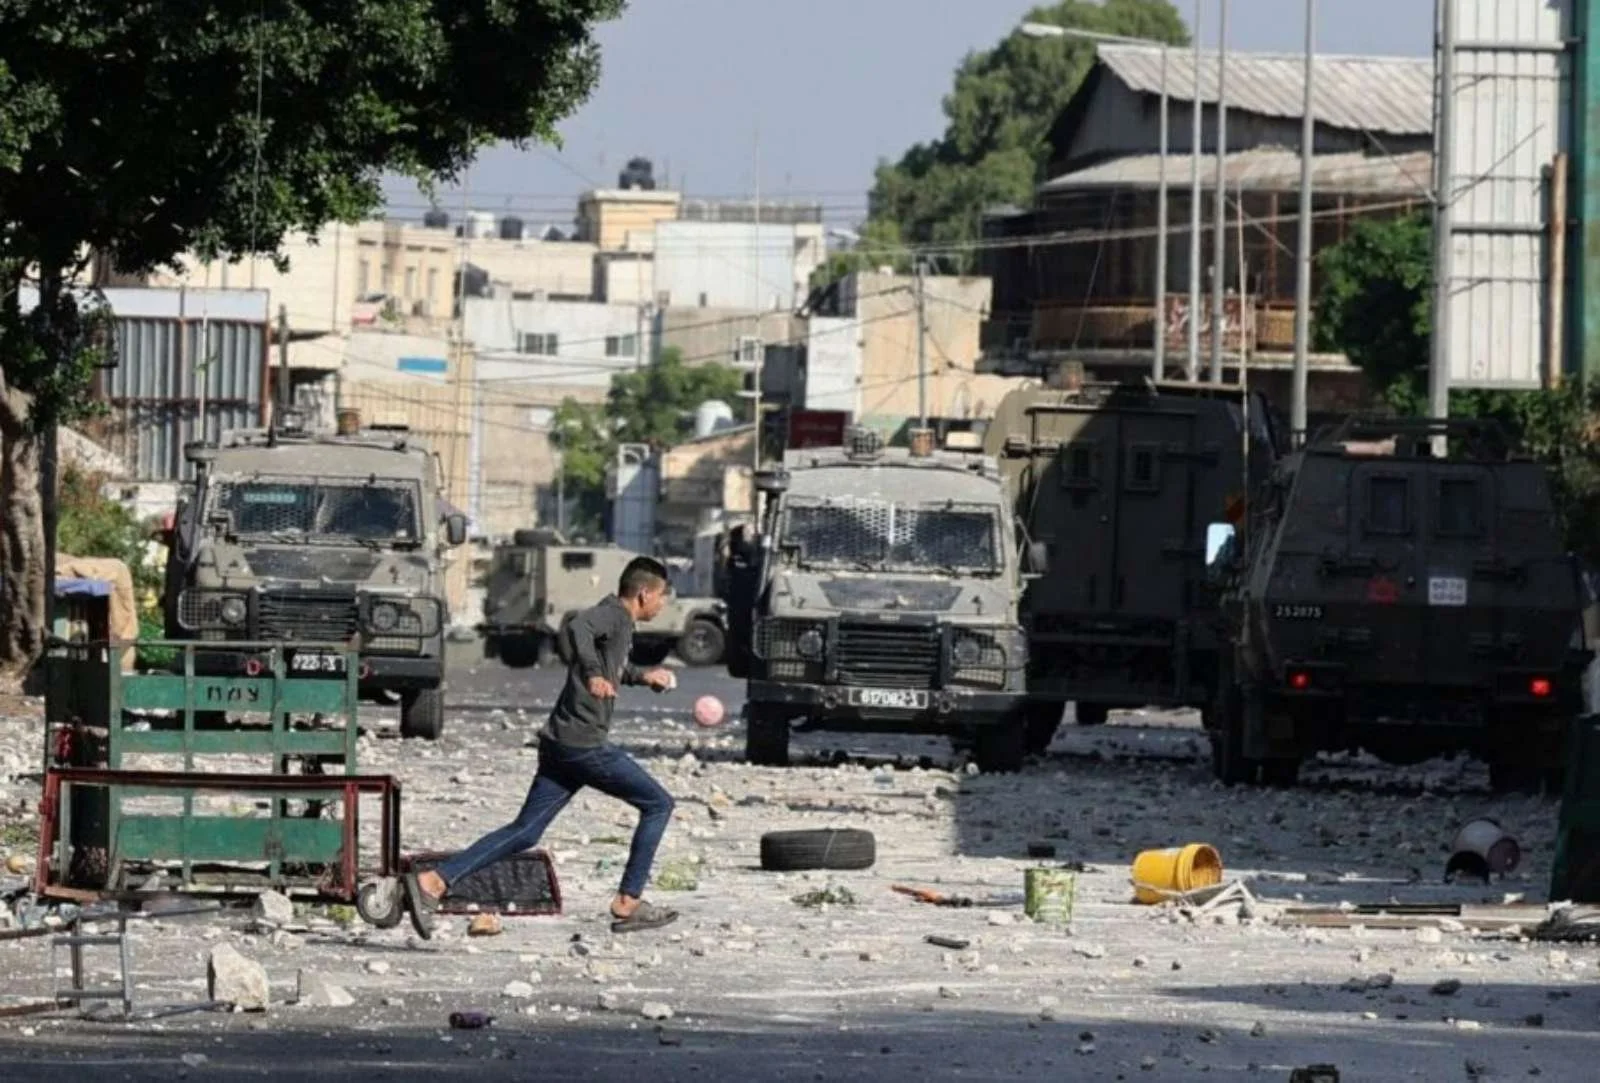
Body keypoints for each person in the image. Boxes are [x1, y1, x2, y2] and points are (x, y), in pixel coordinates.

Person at [403, 556, 680, 939]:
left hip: (560, 744)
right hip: (584, 745)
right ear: (644, 593)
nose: (664, 604)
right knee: (659, 804)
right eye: (663, 596)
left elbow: (612, 664)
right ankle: (628, 901)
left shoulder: (617, 621)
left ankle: (433, 881)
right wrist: (595, 674)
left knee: (526, 831)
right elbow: (578, 628)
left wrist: (644, 676)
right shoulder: (612, 616)